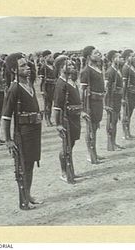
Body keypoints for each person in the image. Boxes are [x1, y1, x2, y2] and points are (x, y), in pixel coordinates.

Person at [1, 53, 43, 210]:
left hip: (34, 131)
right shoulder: (14, 88)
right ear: (14, 70)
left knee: (30, 164)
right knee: (22, 167)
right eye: (23, 66)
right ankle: (23, 200)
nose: (28, 68)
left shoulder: (29, 85)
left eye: (27, 65)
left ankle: (28, 193)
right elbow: (6, 117)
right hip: (22, 133)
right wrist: (8, 140)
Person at [53, 55, 82, 183]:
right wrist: (58, 124)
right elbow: (57, 107)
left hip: (75, 118)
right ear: (60, 67)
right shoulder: (60, 84)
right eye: (68, 65)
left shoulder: (71, 81)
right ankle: (64, 172)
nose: (72, 66)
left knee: (72, 144)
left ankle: (71, 170)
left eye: (72, 64)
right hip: (66, 119)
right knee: (66, 146)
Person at [80, 46, 105, 164]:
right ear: (89, 56)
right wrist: (83, 109)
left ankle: (94, 152)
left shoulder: (98, 68)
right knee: (90, 129)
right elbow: (82, 90)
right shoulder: (86, 71)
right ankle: (91, 154)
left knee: (95, 128)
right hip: (91, 103)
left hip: (99, 102)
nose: (99, 54)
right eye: (96, 53)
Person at [104, 50, 125, 150]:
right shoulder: (110, 71)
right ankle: (110, 144)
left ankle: (113, 142)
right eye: (119, 57)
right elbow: (107, 89)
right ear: (113, 59)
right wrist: (107, 104)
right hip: (111, 100)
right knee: (111, 122)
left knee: (115, 121)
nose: (122, 59)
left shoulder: (117, 69)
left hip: (117, 99)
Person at [121, 49, 135, 139]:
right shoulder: (126, 68)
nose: (134, 57)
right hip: (128, 95)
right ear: (127, 57)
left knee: (130, 113)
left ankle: (128, 132)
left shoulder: (132, 67)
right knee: (126, 114)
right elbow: (124, 84)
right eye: (132, 56)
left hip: (133, 94)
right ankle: (125, 133)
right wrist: (123, 97)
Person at [39, 50, 56, 126]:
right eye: (50, 57)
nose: (52, 58)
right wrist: (42, 91)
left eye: (52, 57)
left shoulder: (54, 67)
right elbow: (41, 81)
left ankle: (51, 119)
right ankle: (47, 120)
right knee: (47, 105)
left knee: (52, 104)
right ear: (45, 58)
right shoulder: (43, 68)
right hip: (47, 88)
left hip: (54, 87)